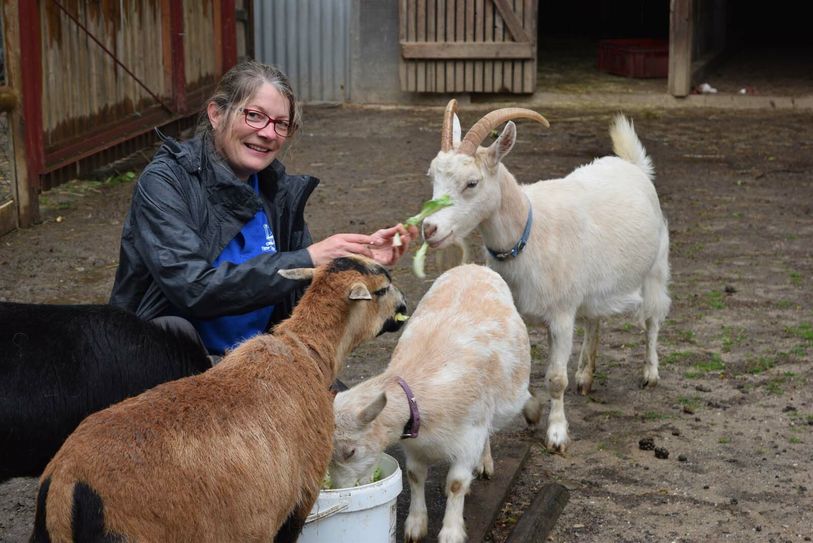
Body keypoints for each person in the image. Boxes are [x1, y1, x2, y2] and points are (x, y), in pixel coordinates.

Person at [109, 60, 417, 358]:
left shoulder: (276, 191)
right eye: (255, 116)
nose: (269, 133)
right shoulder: (166, 181)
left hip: (255, 363)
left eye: (281, 124)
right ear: (216, 114)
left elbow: (303, 301)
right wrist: (308, 258)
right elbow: (193, 288)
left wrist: (357, 262)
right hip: (166, 363)